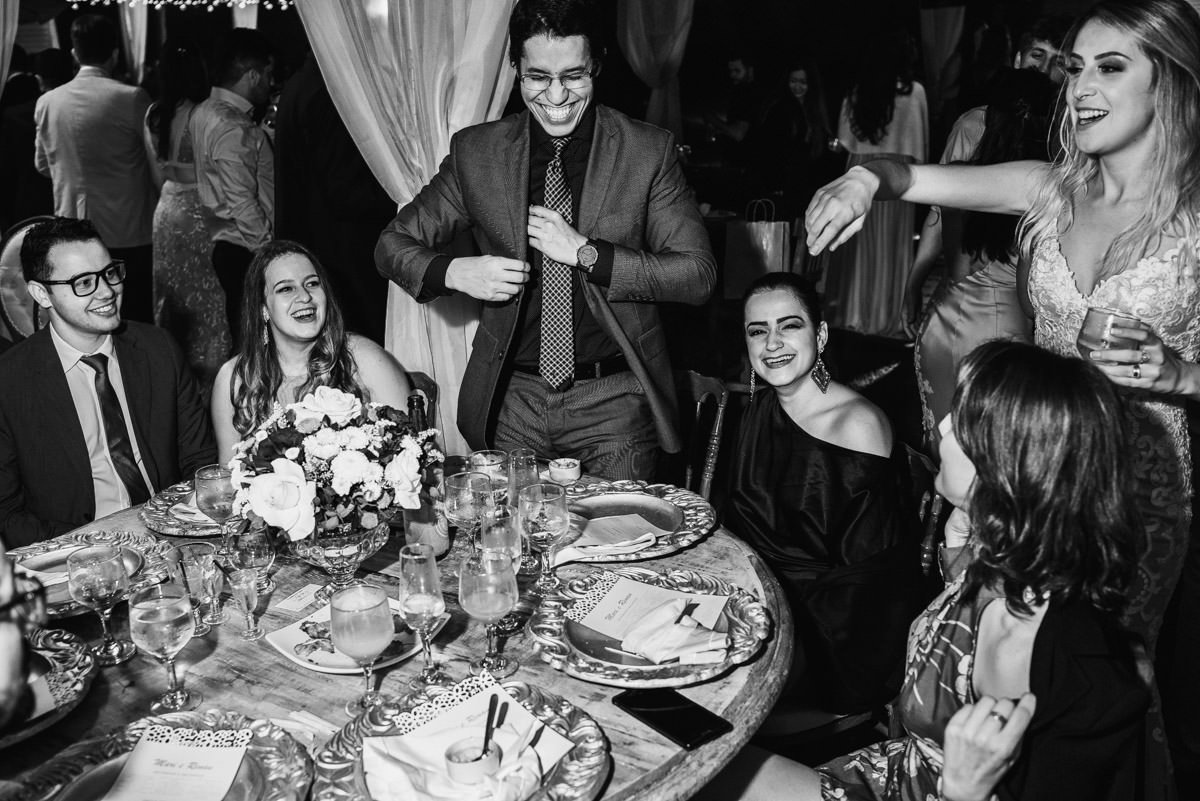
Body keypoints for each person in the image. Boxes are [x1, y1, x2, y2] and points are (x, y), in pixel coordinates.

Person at [701, 341, 1149, 801]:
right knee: (699, 762)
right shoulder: (1004, 562)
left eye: (963, 419)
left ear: (1009, 465)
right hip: (896, 772)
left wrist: (964, 791)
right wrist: (959, 555)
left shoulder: (1080, 671)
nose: (944, 425)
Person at [376, 0, 715, 481]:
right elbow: (392, 244)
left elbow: (697, 274)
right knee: (511, 530)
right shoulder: (477, 153)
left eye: (574, 75)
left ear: (596, 64)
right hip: (511, 403)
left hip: (614, 403)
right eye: (538, 77)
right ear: (515, 67)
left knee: (616, 531)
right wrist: (453, 271)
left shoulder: (646, 151)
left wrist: (586, 253)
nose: (556, 95)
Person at [725, 273, 924, 713]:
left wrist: (772, 624)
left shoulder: (857, 426)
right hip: (756, 595)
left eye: (789, 325)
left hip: (831, 632)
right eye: (758, 331)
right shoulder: (759, 409)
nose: (772, 343)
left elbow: (870, 575)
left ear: (820, 335)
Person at [0, 217, 216, 547]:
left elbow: (199, 462)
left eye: (110, 273)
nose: (107, 291)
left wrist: (182, 529)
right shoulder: (10, 381)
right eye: (84, 282)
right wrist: (95, 548)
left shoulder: (158, 350)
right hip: (73, 554)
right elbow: (7, 515)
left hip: (169, 539)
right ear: (42, 294)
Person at [909, 68, 1053, 442]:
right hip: (1001, 336)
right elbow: (1030, 301)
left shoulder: (960, 178)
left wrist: (913, 285)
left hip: (941, 322)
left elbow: (937, 229)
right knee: (993, 453)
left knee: (944, 450)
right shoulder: (1040, 194)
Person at [212, 240, 412, 461]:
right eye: (286, 289)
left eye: (312, 283)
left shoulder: (367, 361)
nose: (305, 296)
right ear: (263, 309)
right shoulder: (234, 378)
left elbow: (413, 456)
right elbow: (227, 474)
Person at [34, 15, 158, 323]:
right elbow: (154, 161)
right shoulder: (132, 98)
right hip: (129, 228)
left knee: (82, 317)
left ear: (74, 54)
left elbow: (42, 165)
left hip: (71, 228)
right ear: (114, 54)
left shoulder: (48, 102)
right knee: (133, 316)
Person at [274, 51, 396, 344]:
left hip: (318, 241)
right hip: (343, 252)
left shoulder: (301, 84)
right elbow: (346, 190)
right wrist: (406, 198)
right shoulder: (329, 91)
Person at [825, 29, 927, 336]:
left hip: (860, 167)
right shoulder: (914, 92)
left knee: (858, 245)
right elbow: (920, 144)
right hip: (896, 173)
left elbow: (844, 140)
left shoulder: (857, 91)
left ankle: (853, 311)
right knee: (890, 245)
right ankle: (886, 314)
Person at [144, 38, 229, 401]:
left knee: (173, 295)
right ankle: (212, 383)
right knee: (209, 296)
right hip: (199, 208)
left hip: (167, 208)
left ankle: (175, 375)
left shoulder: (153, 114)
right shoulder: (205, 113)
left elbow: (155, 174)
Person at [190, 28, 275, 348]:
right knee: (258, 342)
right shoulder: (233, 125)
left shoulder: (204, 110)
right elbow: (242, 201)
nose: (271, 82)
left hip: (228, 242)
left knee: (246, 337)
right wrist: (270, 252)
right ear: (253, 75)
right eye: (268, 74)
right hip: (246, 247)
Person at [749, 61, 833, 229]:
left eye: (803, 82)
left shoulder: (815, 110)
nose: (797, 87)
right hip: (784, 186)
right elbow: (770, 149)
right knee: (783, 232)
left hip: (805, 186)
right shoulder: (780, 108)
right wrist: (774, 183)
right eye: (793, 81)